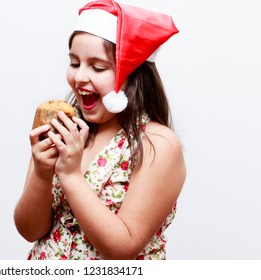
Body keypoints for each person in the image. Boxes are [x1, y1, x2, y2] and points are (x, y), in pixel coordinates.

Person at [14, 0, 186, 260]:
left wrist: (70, 176)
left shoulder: (157, 144)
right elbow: (30, 230)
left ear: (133, 75)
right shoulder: (64, 129)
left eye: (97, 67)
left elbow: (122, 248)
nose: (80, 77)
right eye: (74, 63)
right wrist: (40, 172)